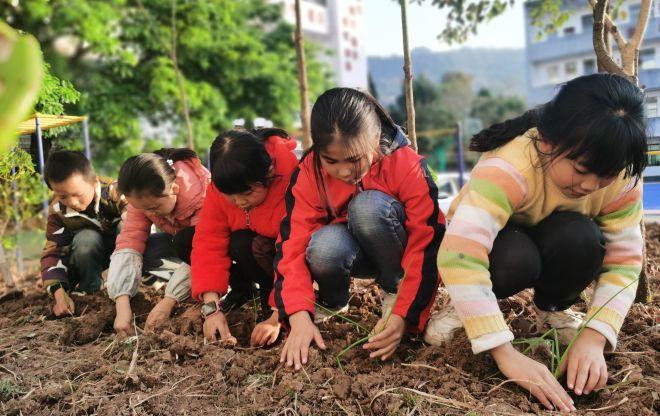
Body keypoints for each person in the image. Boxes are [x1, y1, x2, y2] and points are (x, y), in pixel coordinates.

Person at [425, 73, 647, 412]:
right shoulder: (510, 165)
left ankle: (554, 311)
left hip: (558, 235)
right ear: (547, 142)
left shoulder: (620, 177)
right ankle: (465, 310)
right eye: (581, 169)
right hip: (498, 245)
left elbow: (625, 260)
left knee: (582, 238)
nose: (590, 185)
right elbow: (461, 254)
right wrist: (504, 353)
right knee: (515, 256)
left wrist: (594, 335)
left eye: (604, 176)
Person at [273, 87, 445, 370]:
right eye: (331, 161)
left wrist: (404, 314)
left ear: (375, 138)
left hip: (395, 249)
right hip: (353, 252)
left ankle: (393, 291)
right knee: (324, 246)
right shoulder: (308, 173)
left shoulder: (406, 165)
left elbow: (426, 243)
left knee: (368, 207)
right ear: (317, 149)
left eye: (354, 159)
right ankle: (333, 300)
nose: (343, 171)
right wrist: (298, 315)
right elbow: (292, 245)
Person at [190, 128, 298, 346]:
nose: (240, 203)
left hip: (283, 258)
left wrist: (278, 315)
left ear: (269, 173)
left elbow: (295, 251)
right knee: (190, 240)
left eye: (247, 193)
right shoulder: (220, 189)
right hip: (254, 252)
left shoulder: (291, 181)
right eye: (230, 196)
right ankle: (243, 291)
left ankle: (274, 298)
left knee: (248, 243)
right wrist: (211, 310)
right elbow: (208, 244)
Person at [107, 148, 210, 336]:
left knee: (185, 241)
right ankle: (185, 281)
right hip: (181, 242)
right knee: (146, 251)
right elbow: (129, 242)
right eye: (143, 209)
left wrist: (170, 299)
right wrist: (121, 304)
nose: (150, 213)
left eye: (154, 208)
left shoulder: (201, 196)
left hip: (215, 248)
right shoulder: (143, 196)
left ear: (174, 189)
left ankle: (213, 289)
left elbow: (205, 252)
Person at [41, 150, 125, 317]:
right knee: (86, 238)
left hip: (124, 251)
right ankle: (93, 293)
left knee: (127, 227)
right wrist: (59, 293)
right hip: (87, 258)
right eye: (63, 196)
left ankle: (138, 282)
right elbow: (54, 252)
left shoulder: (115, 191)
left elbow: (138, 224)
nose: (72, 202)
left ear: (94, 181)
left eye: (77, 194)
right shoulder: (58, 211)